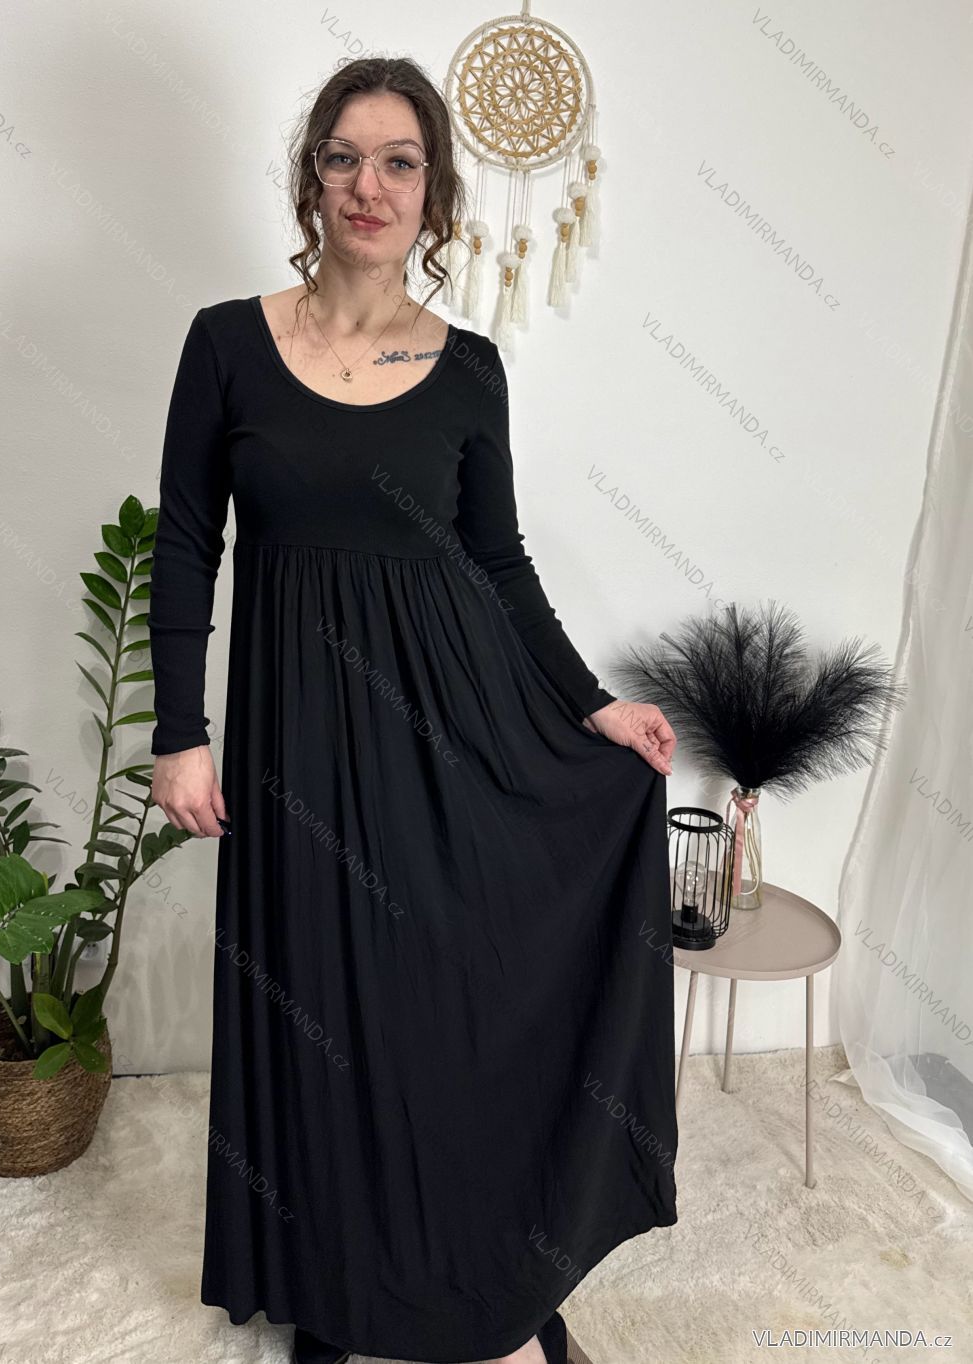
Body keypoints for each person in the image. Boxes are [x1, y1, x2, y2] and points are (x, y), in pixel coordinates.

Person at [148, 55, 678, 1364]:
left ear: (432, 193)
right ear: (310, 179)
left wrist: (590, 707)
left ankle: (497, 1284)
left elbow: (496, 561)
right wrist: (179, 731)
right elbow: (186, 545)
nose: (368, 186)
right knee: (321, 1014)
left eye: (398, 162)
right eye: (343, 157)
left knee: (449, 1004)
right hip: (296, 744)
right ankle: (342, 1292)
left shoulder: (470, 368)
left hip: (453, 730)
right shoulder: (227, 345)